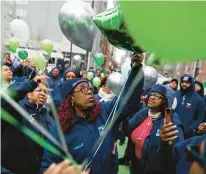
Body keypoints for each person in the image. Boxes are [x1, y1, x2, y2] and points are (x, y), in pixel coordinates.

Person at [40, 54, 144, 174]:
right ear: (71, 98)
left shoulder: (104, 111)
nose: (89, 91)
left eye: (89, 88)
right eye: (82, 89)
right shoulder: (59, 129)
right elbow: (47, 167)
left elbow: (130, 102)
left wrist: (136, 70)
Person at [1, 75, 54, 174]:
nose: (42, 94)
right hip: (10, 169)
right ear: (28, 94)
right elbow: (6, 98)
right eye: (38, 90)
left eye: (45, 92)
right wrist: (32, 84)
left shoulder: (47, 115)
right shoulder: (17, 107)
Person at [128, 85, 184, 174]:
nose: (152, 97)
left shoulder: (171, 120)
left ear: (166, 101)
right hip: (136, 165)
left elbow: (177, 153)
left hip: (155, 169)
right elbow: (128, 128)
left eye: (158, 96)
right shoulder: (143, 112)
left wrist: (166, 145)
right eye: (152, 94)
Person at [175, 74, 205, 138]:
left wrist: (190, 129)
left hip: (186, 134)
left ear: (192, 84)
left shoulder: (198, 99)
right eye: (182, 82)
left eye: (187, 83)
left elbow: (199, 117)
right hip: (171, 130)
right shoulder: (175, 94)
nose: (184, 84)